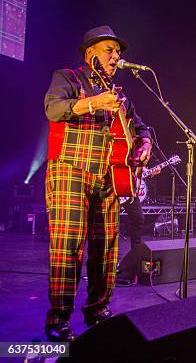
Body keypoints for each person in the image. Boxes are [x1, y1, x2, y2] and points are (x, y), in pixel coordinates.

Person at [44, 25, 152, 341]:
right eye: (110, 50)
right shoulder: (67, 77)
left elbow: (142, 127)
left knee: (106, 246)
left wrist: (144, 143)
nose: (116, 56)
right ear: (91, 52)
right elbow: (53, 109)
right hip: (71, 170)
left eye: (118, 52)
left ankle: (98, 309)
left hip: (109, 176)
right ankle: (59, 318)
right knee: (68, 245)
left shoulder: (120, 95)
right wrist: (93, 103)